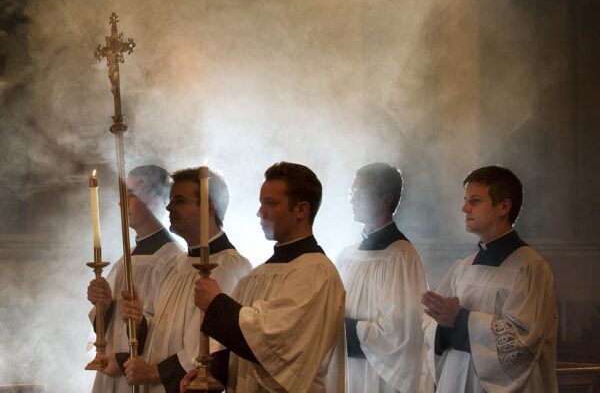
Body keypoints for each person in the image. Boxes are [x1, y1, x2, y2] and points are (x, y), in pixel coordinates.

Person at [183, 161, 346, 393]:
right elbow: (242, 350)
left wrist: (217, 304)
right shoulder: (257, 275)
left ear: (301, 210)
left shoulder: (316, 273)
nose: (260, 213)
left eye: (271, 204)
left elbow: (277, 344)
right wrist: (210, 373)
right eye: (261, 203)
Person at [101, 167, 252, 393]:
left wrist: (153, 372)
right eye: (171, 200)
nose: (169, 207)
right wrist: (140, 320)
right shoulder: (180, 264)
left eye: (179, 200)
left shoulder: (229, 265)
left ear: (209, 209)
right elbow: (163, 334)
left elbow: (214, 348)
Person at [421, 165, 558, 393]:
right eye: (466, 200)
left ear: (504, 206)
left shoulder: (530, 267)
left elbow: (523, 344)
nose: (464, 208)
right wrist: (440, 324)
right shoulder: (464, 267)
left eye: (474, 201)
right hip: (457, 379)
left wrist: (461, 319)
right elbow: (434, 331)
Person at [336, 163, 432, 393]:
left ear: (385, 199)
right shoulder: (346, 256)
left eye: (360, 194)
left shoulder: (400, 257)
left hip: (378, 379)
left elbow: (399, 333)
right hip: (347, 371)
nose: (352, 200)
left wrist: (336, 329)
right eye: (351, 193)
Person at [87, 165, 183, 393]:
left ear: (158, 200)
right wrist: (105, 304)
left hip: (143, 378)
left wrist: (124, 357)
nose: (122, 203)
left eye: (130, 195)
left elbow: (170, 334)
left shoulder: (173, 260)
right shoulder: (126, 259)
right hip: (113, 374)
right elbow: (104, 330)